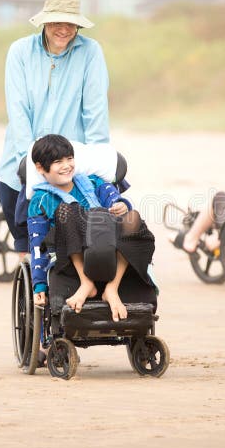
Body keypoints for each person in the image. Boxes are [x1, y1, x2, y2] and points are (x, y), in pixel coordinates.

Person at [0, 0, 110, 255]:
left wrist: (100, 160)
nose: (64, 29)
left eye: (70, 22)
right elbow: (18, 108)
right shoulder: (20, 52)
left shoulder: (90, 52)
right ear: (45, 21)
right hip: (21, 164)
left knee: (77, 243)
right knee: (28, 246)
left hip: (71, 164)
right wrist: (31, 164)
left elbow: (95, 110)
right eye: (57, 21)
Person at [28, 135, 155, 322]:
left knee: (132, 217)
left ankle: (112, 288)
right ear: (40, 168)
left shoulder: (94, 183)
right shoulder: (40, 199)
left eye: (69, 159)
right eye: (58, 162)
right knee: (67, 211)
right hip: (70, 255)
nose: (66, 165)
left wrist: (120, 204)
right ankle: (87, 283)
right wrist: (39, 284)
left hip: (107, 247)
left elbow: (113, 197)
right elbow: (37, 243)